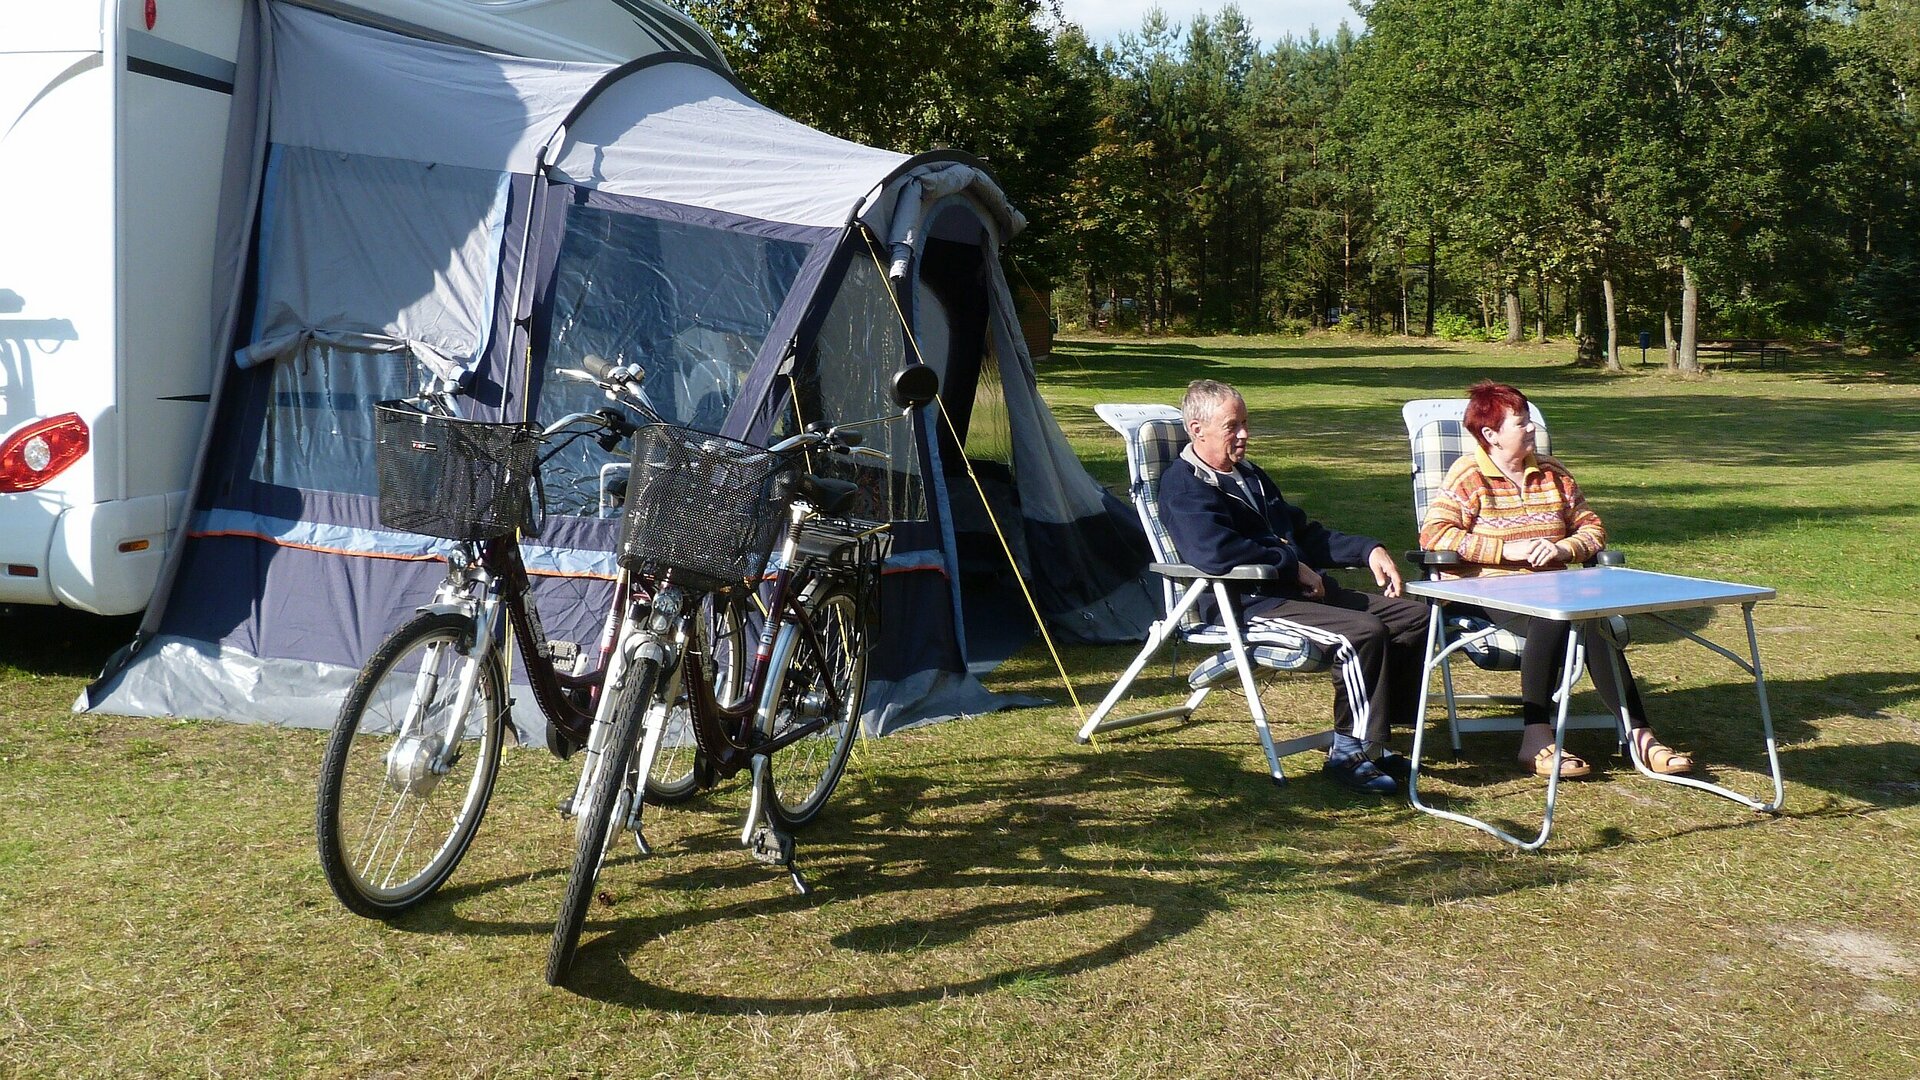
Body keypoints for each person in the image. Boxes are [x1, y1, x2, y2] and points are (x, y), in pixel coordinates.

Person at [1159, 379, 1428, 795]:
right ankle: (1348, 752)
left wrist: (1366, 549)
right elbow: (1214, 552)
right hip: (1244, 603)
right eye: (1233, 426)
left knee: (1415, 618)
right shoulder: (1186, 485)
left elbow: (1303, 532)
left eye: (1246, 423)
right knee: (1361, 633)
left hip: (1288, 592)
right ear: (1198, 430)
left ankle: (1376, 739)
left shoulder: (1251, 476)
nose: (1245, 434)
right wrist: (1292, 566)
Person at [1417, 381, 1694, 778]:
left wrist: (1564, 549)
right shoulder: (1468, 476)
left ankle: (1640, 735)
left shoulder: (1553, 474)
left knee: (1585, 617)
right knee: (1559, 615)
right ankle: (1539, 738)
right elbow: (1435, 535)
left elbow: (1593, 529)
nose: (1532, 429)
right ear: (1490, 435)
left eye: (1530, 421)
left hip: (1554, 586)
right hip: (1486, 590)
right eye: (1521, 423)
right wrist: (1504, 550)